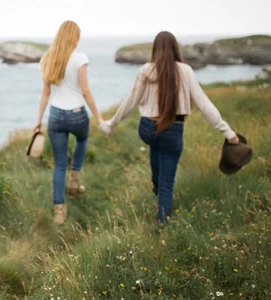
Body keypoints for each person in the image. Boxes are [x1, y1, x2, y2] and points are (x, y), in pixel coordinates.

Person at [99, 31, 238, 223]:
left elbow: (130, 101)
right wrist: (227, 131)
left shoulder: (146, 69)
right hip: (173, 130)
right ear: (175, 48)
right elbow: (204, 104)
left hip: (147, 129)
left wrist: (110, 124)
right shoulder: (186, 70)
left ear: (155, 49)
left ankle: (155, 184)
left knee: (156, 146)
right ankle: (162, 226)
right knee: (167, 184)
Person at [33, 21, 103, 225]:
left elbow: (46, 93)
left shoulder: (49, 58)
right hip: (76, 114)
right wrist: (98, 117)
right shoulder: (80, 58)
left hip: (55, 115)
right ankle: (74, 182)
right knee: (82, 139)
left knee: (59, 164)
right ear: (75, 38)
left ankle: (59, 211)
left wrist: (38, 121)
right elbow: (85, 91)